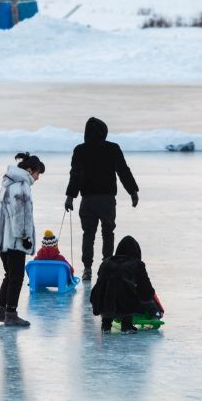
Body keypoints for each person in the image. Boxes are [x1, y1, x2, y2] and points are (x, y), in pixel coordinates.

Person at [65, 117, 139, 281]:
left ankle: (87, 269)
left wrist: (70, 197)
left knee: (88, 234)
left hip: (88, 201)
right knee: (108, 233)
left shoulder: (80, 150)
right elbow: (123, 171)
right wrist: (132, 191)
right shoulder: (112, 149)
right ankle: (107, 266)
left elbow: (75, 175)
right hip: (107, 200)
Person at [0, 152, 45, 327]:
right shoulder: (21, 186)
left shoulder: (8, 183)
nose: (37, 178)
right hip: (14, 240)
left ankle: (2, 310)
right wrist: (25, 237)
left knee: (9, 275)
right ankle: (11, 314)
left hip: (3, 240)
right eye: (37, 174)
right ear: (29, 170)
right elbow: (20, 215)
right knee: (16, 277)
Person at [89, 235, 164, 334]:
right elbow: (146, 293)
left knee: (112, 289)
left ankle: (106, 323)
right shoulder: (137, 264)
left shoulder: (106, 262)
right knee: (126, 292)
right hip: (124, 308)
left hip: (100, 306)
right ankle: (127, 325)